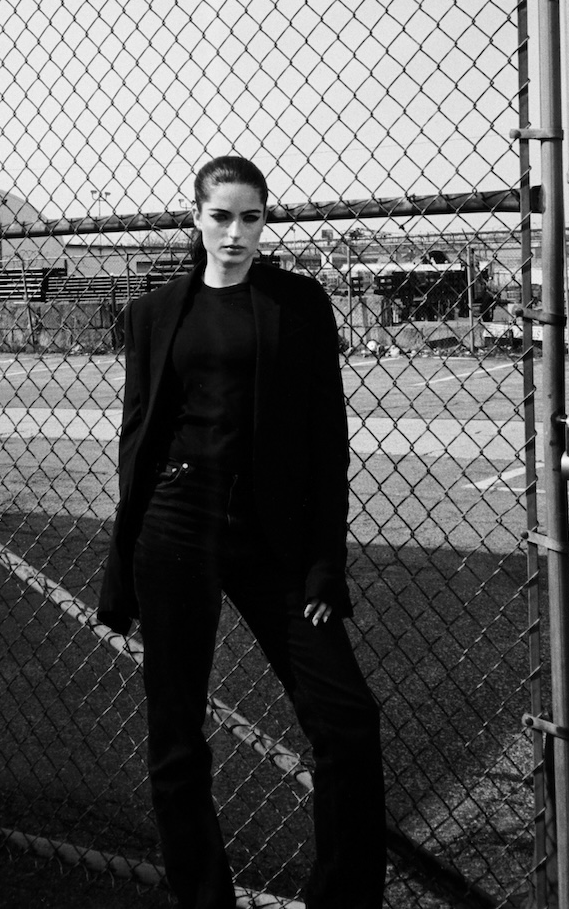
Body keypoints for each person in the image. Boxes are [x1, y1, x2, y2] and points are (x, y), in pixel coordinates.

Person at [98, 155, 386, 909]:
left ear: (264, 222)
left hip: (270, 533)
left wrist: (324, 561)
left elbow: (327, 438)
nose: (235, 232)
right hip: (174, 524)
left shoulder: (297, 303)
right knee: (175, 734)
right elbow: (138, 437)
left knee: (348, 722)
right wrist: (121, 563)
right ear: (195, 217)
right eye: (221, 216)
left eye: (250, 217)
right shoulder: (155, 312)